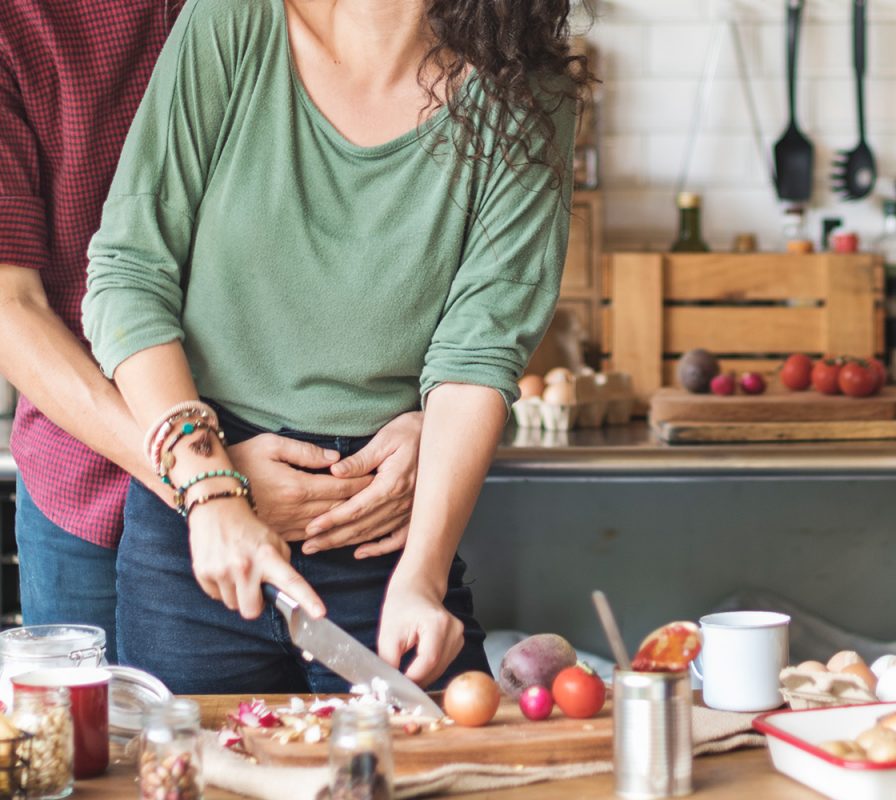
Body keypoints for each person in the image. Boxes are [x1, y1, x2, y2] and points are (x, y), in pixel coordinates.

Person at [83, 0, 584, 692]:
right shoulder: (234, 22)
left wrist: (422, 576)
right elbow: (129, 276)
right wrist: (209, 491)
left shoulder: (527, 95)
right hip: (200, 523)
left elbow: (479, 356)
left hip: (382, 531)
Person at [0, 0, 418, 657]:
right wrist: (205, 478)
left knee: (338, 752)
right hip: (92, 477)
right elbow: (8, 308)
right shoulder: (17, 23)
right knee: (113, 753)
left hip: (326, 481)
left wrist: (433, 418)